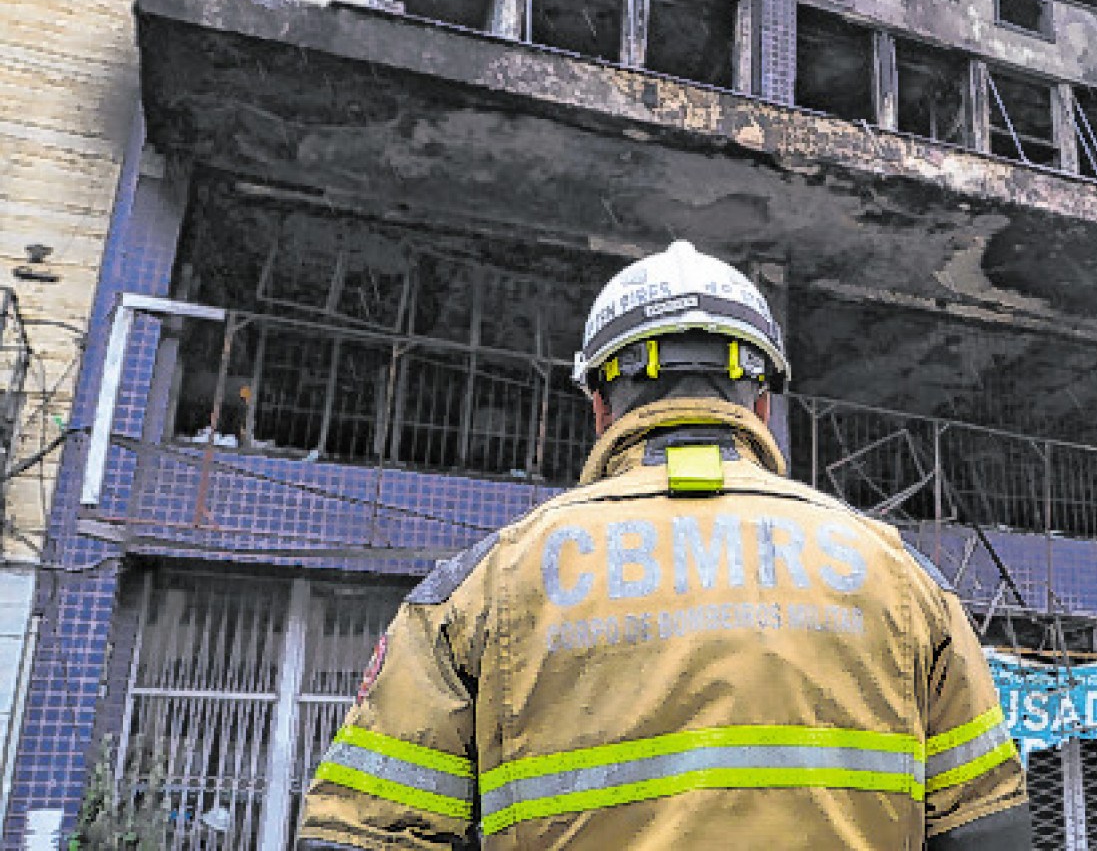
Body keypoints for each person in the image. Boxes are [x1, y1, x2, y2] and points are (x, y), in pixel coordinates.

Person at [297, 241, 1032, 850]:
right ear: (763, 405)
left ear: (597, 405)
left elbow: (363, 835)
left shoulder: (477, 590)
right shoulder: (903, 578)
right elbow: (988, 831)